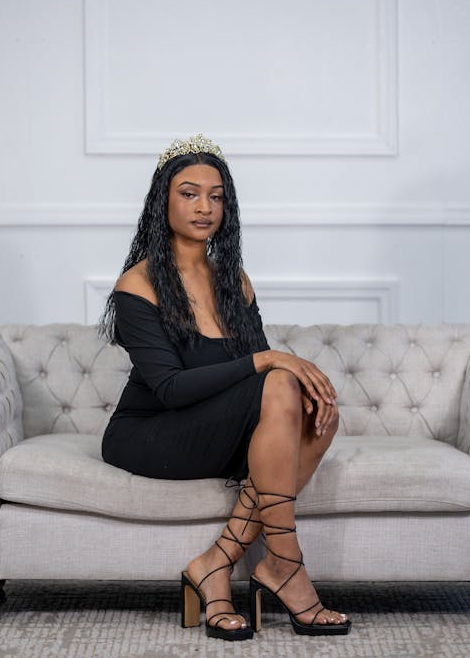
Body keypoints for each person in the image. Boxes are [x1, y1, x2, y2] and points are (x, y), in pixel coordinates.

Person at [99, 134, 351, 642]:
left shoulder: (233, 278)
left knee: (312, 406)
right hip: (152, 435)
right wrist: (267, 358)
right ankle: (286, 565)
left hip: (213, 429)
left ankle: (218, 563)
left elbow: (267, 381)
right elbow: (169, 388)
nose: (204, 207)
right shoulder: (139, 284)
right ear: (162, 202)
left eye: (216, 197)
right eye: (189, 193)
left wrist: (284, 374)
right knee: (279, 377)